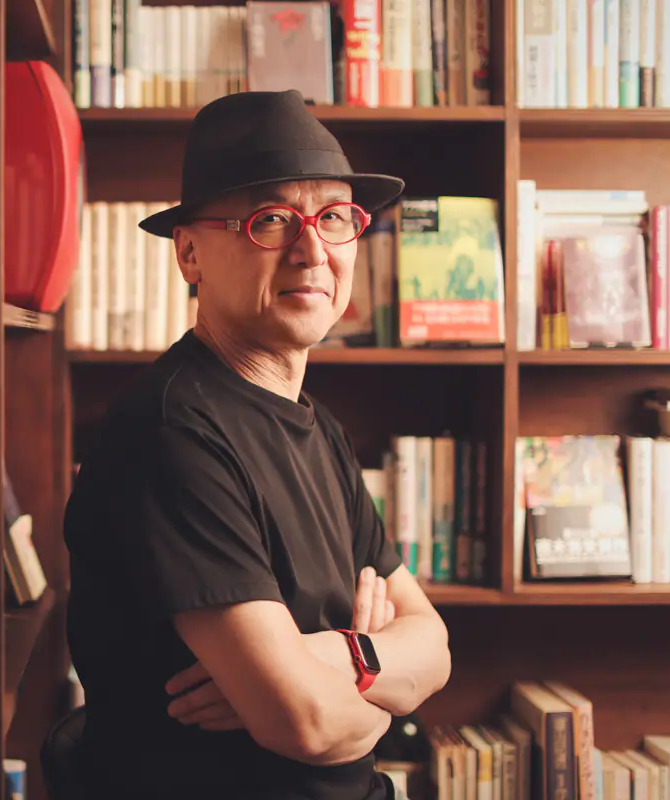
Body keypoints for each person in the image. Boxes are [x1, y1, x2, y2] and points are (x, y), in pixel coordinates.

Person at [61, 89, 452, 800]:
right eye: (271, 220)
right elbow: (304, 722)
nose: (313, 250)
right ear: (190, 254)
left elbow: (434, 645)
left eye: (335, 218)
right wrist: (383, 695)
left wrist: (335, 655)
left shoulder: (318, 427)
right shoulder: (173, 433)